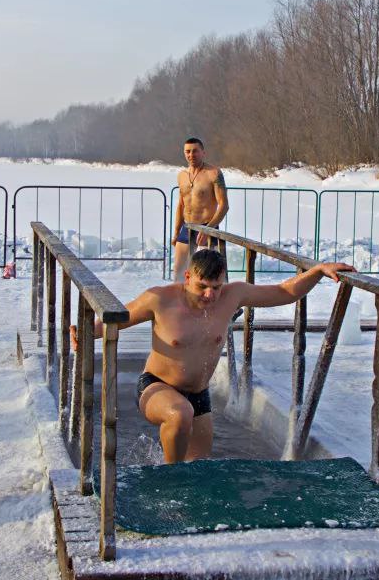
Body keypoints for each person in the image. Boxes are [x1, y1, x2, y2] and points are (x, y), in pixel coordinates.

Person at [75, 248, 355, 463]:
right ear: (188, 278)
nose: (210, 295)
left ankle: (175, 478)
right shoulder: (160, 299)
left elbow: (283, 292)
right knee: (179, 415)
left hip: (199, 395)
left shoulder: (233, 295)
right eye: (202, 286)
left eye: (217, 287)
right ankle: (170, 479)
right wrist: (84, 332)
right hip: (156, 387)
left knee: (199, 465)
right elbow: (118, 318)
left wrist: (318, 271)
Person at [171, 138, 228, 282]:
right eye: (188, 151)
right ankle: (182, 297)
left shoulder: (214, 173)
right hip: (187, 228)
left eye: (195, 151)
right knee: (179, 275)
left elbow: (224, 205)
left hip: (207, 227)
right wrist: (176, 232)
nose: (191, 155)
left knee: (208, 277)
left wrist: (208, 229)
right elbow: (181, 205)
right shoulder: (182, 175)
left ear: (203, 152)